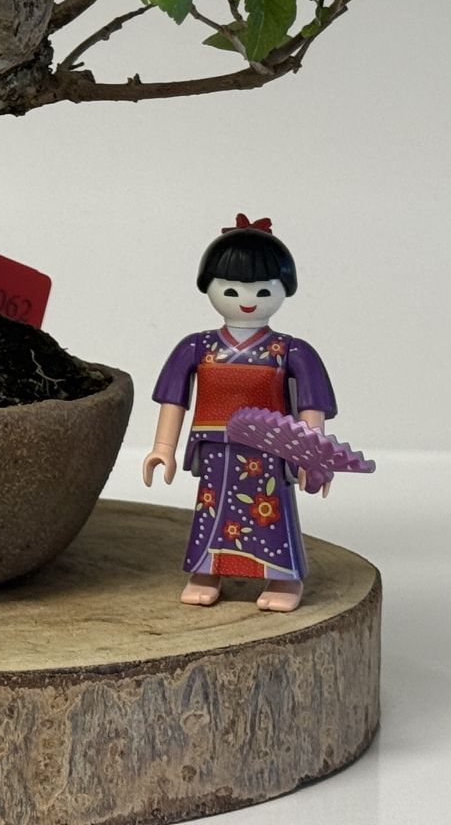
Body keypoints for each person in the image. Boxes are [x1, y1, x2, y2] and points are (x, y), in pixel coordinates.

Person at [142, 215, 337, 612]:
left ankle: (282, 576)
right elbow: (174, 399)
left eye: (263, 290)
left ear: (283, 290)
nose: (247, 300)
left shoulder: (290, 351)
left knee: (270, 511)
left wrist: (312, 454)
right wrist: (163, 448)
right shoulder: (198, 347)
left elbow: (310, 406)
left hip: (269, 449)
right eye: (231, 289)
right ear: (210, 288)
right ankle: (207, 570)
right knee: (212, 509)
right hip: (216, 447)